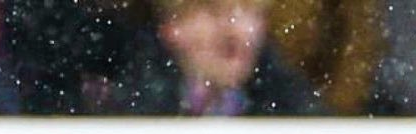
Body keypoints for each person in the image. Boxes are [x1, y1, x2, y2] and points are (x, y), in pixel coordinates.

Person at [101, 0, 322, 116]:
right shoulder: (122, 106)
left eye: (249, 13)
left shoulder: (294, 109)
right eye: (214, 13)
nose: (236, 32)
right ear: (171, 27)